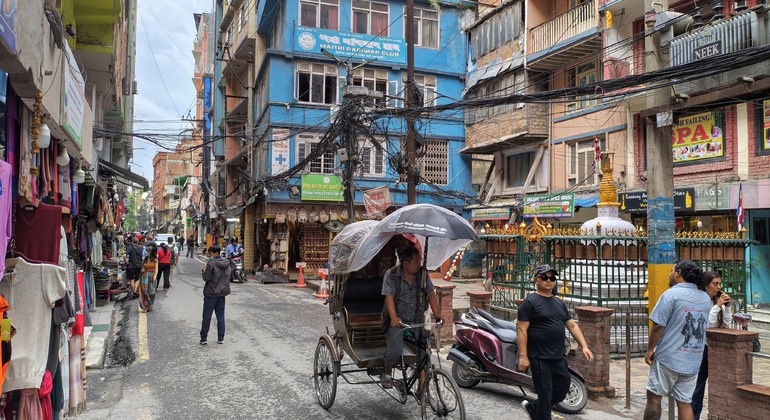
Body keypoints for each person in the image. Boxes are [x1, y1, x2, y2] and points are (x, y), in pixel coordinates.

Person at [517, 264, 594, 420]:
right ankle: (540, 410)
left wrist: (584, 345)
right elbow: (522, 330)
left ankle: (534, 407)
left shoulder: (559, 303)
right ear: (536, 279)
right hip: (539, 357)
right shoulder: (529, 303)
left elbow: (572, 325)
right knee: (545, 395)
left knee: (562, 388)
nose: (549, 280)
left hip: (557, 357)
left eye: (552, 278)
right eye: (544, 277)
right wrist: (523, 357)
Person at [643, 260, 712, 420]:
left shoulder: (671, 295)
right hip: (693, 360)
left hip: (669, 358)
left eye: (672, 270)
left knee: (654, 397)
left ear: (678, 273)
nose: (669, 273)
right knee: (685, 402)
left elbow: (658, 326)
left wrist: (650, 350)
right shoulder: (704, 298)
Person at [380, 245, 442, 391]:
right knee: (394, 352)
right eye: (417, 261)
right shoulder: (392, 274)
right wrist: (394, 317)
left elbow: (431, 294)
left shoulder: (422, 274)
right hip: (398, 322)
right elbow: (389, 297)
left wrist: (437, 314)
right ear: (406, 263)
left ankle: (421, 390)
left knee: (424, 353)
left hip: (418, 321)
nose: (419, 264)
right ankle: (387, 371)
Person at [691, 271, 732, 420]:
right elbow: (706, 325)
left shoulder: (716, 303)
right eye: (715, 284)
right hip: (700, 349)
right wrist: (717, 306)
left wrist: (726, 307)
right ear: (706, 286)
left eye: (719, 284)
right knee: (698, 386)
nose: (718, 287)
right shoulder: (700, 302)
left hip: (713, 349)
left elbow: (726, 325)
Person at [200, 245, 231, 345]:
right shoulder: (227, 263)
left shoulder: (211, 263)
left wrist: (203, 273)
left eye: (211, 253)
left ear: (216, 253)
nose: (210, 255)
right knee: (220, 316)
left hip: (211, 293)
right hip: (222, 293)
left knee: (207, 316)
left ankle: (203, 338)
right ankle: (221, 337)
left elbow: (207, 278)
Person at [139, 244, 159, 312]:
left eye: (147, 251)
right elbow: (143, 267)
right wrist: (142, 270)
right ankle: (145, 307)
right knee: (144, 292)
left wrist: (155, 277)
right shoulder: (145, 259)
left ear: (150, 252)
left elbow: (156, 269)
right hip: (144, 277)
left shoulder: (155, 260)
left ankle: (150, 305)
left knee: (151, 292)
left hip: (151, 277)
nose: (146, 252)